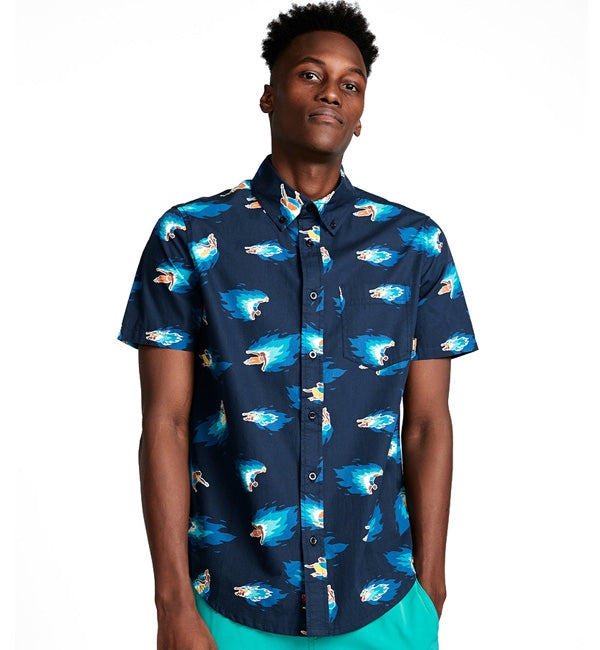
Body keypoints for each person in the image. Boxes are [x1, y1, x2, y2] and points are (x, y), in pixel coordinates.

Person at [118, 2, 478, 648]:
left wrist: (431, 587)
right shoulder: (188, 237)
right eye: (310, 74)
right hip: (228, 604)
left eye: (350, 83)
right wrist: (172, 603)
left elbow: (428, 423)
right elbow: (164, 422)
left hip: (383, 602)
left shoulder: (417, 246)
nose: (331, 92)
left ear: (361, 114)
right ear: (268, 95)